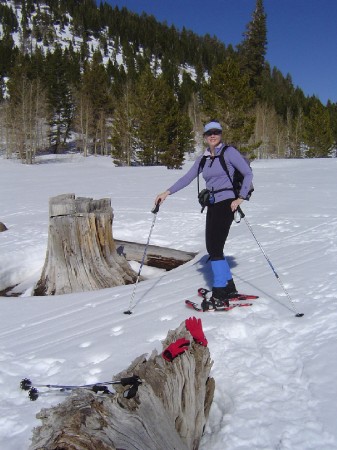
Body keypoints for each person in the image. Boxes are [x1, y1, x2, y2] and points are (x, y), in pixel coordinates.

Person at [155, 120, 253, 309]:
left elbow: (248, 173)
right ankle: (229, 287)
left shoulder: (229, 152)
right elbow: (188, 177)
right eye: (209, 133)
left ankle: (219, 291)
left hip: (228, 203)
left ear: (221, 134)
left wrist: (241, 197)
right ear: (205, 137)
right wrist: (167, 192)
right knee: (213, 247)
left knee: (215, 248)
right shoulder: (204, 158)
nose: (213, 136)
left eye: (216, 132)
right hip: (212, 203)